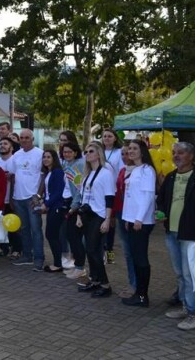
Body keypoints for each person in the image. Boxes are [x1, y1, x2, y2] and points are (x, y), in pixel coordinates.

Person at [157, 142, 195, 331]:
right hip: (172, 232)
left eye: (180, 153)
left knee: (191, 276)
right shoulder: (171, 176)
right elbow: (162, 199)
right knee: (181, 274)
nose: (176, 156)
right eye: (174, 152)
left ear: (191, 156)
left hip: (191, 234)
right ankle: (185, 306)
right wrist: (162, 212)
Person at [76, 142, 116, 298]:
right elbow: (83, 197)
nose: (87, 154)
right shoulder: (88, 173)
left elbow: (109, 198)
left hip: (99, 215)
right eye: (86, 151)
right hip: (87, 215)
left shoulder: (106, 173)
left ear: (99, 154)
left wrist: (107, 220)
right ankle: (95, 281)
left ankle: (105, 285)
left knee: (94, 250)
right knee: (89, 250)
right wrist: (79, 216)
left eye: (91, 151)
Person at [121, 140, 157, 308]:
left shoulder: (147, 171)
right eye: (130, 149)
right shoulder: (135, 170)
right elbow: (130, 198)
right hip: (132, 219)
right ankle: (138, 292)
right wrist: (128, 218)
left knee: (141, 258)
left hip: (142, 222)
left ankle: (143, 295)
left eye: (135, 148)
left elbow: (148, 196)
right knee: (135, 257)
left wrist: (139, 219)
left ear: (143, 151)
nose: (131, 151)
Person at [11, 129, 44, 270]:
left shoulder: (40, 154)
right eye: (21, 138)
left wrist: (38, 195)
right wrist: (11, 196)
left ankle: (39, 259)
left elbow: (43, 177)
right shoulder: (16, 155)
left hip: (32, 198)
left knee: (36, 230)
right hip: (18, 198)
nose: (24, 140)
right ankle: (27, 255)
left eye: (27, 137)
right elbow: (13, 176)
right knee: (23, 229)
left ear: (32, 139)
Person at [113, 146, 137, 298]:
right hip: (120, 214)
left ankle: (137, 285)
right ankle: (132, 283)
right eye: (122, 154)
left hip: (132, 216)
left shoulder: (140, 171)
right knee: (127, 252)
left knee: (134, 252)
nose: (124, 156)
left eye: (127, 153)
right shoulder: (122, 171)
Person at [61, 142, 87, 280]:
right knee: (71, 236)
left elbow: (79, 188)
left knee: (75, 237)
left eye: (69, 152)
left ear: (76, 152)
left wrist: (74, 206)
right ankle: (78, 266)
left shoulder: (78, 165)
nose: (67, 154)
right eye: (65, 152)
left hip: (76, 206)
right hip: (69, 203)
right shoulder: (67, 165)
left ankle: (80, 267)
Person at [40, 149, 66, 272]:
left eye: (48, 157)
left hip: (57, 207)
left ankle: (58, 263)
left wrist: (47, 204)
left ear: (54, 158)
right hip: (51, 207)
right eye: (44, 157)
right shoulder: (48, 172)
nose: (45, 159)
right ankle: (58, 262)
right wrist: (43, 201)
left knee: (51, 235)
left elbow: (58, 192)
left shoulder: (57, 172)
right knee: (51, 235)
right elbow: (49, 192)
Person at [101, 128, 124, 264]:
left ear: (115, 138)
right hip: (99, 191)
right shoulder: (99, 151)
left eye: (110, 136)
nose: (107, 138)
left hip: (113, 190)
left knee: (110, 224)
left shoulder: (119, 153)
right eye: (104, 136)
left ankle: (110, 254)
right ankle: (101, 250)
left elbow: (121, 171)